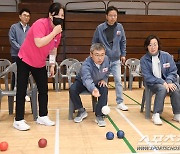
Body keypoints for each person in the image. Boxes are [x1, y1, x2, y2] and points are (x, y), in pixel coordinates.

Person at [13, 2, 64, 131]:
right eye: (58, 15)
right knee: (22, 89)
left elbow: (53, 49)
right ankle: (18, 120)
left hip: (39, 62)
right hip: (25, 58)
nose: (61, 18)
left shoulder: (58, 32)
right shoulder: (40, 24)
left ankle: (43, 116)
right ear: (50, 15)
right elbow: (39, 42)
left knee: (43, 89)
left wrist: (52, 64)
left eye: (63, 15)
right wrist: (53, 32)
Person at [92, 6, 128, 111]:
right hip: (104, 60)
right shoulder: (100, 28)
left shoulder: (120, 27)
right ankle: (104, 102)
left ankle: (120, 102)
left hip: (116, 59)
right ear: (106, 16)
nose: (113, 17)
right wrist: (96, 55)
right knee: (104, 81)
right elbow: (94, 42)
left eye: (115, 15)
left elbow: (123, 42)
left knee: (118, 80)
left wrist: (123, 54)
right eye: (111, 15)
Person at [140, 35, 180, 125]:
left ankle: (177, 113)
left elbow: (173, 71)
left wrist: (168, 82)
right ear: (147, 46)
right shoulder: (144, 60)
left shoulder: (166, 56)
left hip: (168, 81)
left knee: (175, 88)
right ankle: (156, 114)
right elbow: (148, 77)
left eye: (155, 44)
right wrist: (163, 82)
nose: (153, 47)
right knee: (162, 88)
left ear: (158, 45)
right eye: (150, 45)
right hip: (152, 83)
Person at [69, 43, 110, 127]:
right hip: (82, 81)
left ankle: (99, 114)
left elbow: (108, 70)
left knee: (104, 89)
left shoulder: (106, 60)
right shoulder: (86, 65)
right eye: (97, 55)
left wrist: (104, 79)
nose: (100, 58)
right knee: (72, 89)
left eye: (102, 55)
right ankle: (81, 110)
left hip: (98, 81)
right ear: (91, 54)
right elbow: (87, 79)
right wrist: (93, 89)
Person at [9, 8, 31, 101]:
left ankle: (24, 93)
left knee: (25, 75)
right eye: (24, 15)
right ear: (20, 16)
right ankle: (14, 93)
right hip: (16, 55)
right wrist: (21, 48)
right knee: (15, 74)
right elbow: (12, 40)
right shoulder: (14, 27)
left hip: (27, 56)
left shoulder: (30, 29)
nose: (26, 17)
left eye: (28, 16)